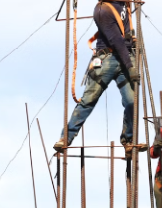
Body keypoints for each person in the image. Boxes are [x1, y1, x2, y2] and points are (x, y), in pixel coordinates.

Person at [54, 1, 140, 157]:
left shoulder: (124, 3)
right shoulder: (103, 10)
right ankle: (66, 137)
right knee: (89, 100)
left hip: (127, 57)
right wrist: (130, 67)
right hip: (108, 59)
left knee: (131, 101)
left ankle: (128, 140)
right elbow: (117, 41)